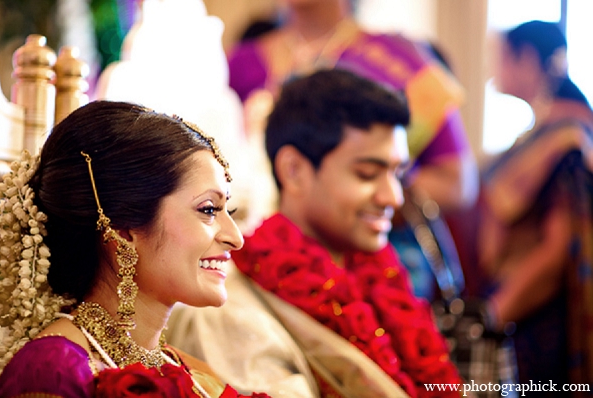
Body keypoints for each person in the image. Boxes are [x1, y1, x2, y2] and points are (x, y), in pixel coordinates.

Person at [167, 69, 464, 397]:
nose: (393, 196)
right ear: (293, 170)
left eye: (397, 173)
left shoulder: (379, 277)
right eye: (367, 174)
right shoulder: (230, 313)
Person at [0, 100, 270, 397]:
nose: (235, 238)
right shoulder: (53, 372)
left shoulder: (190, 373)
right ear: (124, 231)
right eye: (208, 209)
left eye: (230, 209)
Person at [226, 0, 478, 300]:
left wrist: (366, 189)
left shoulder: (399, 60)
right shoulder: (241, 62)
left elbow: (457, 182)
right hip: (257, 247)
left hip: (369, 260)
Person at [477, 20, 593, 389]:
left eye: (502, 58)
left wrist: (495, 315)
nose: (494, 71)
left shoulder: (567, 139)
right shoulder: (546, 130)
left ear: (527, 59)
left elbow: (561, 247)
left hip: (541, 318)